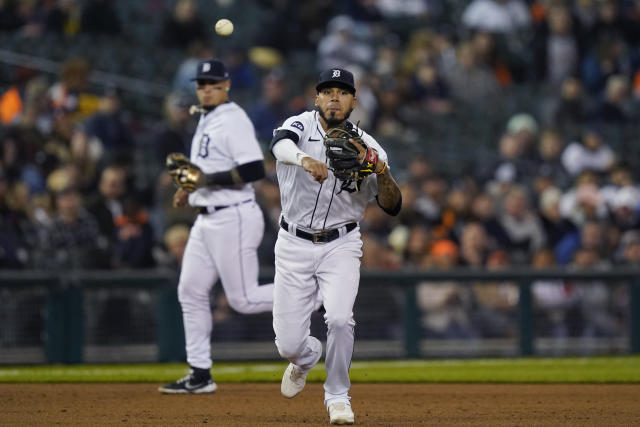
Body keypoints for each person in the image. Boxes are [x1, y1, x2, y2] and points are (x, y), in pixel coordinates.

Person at [269, 68, 401, 425]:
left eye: (342, 92)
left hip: (341, 243)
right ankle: (306, 358)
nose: (333, 97)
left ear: (353, 101)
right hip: (292, 243)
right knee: (288, 346)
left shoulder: (370, 147)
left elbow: (392, 205)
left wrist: (381, 171)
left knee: (341, 318)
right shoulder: (298, 127)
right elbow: (278, 145)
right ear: (316, 99)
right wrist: (304, 159)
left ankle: (338, 396)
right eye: (327, 91)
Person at [158, 58, 274, 394]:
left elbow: (254, 170)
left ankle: (315, 295)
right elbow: (208, 168)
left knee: (243, 299)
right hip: (207, 218)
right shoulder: (208, 119)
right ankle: (200, 373)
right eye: (201, 84)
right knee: (190, 291)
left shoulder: (232, 119)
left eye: (212, 83)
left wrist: (205, 179)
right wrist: (190, 189)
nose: (206, 89)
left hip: (233, 215)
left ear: (226, 85)